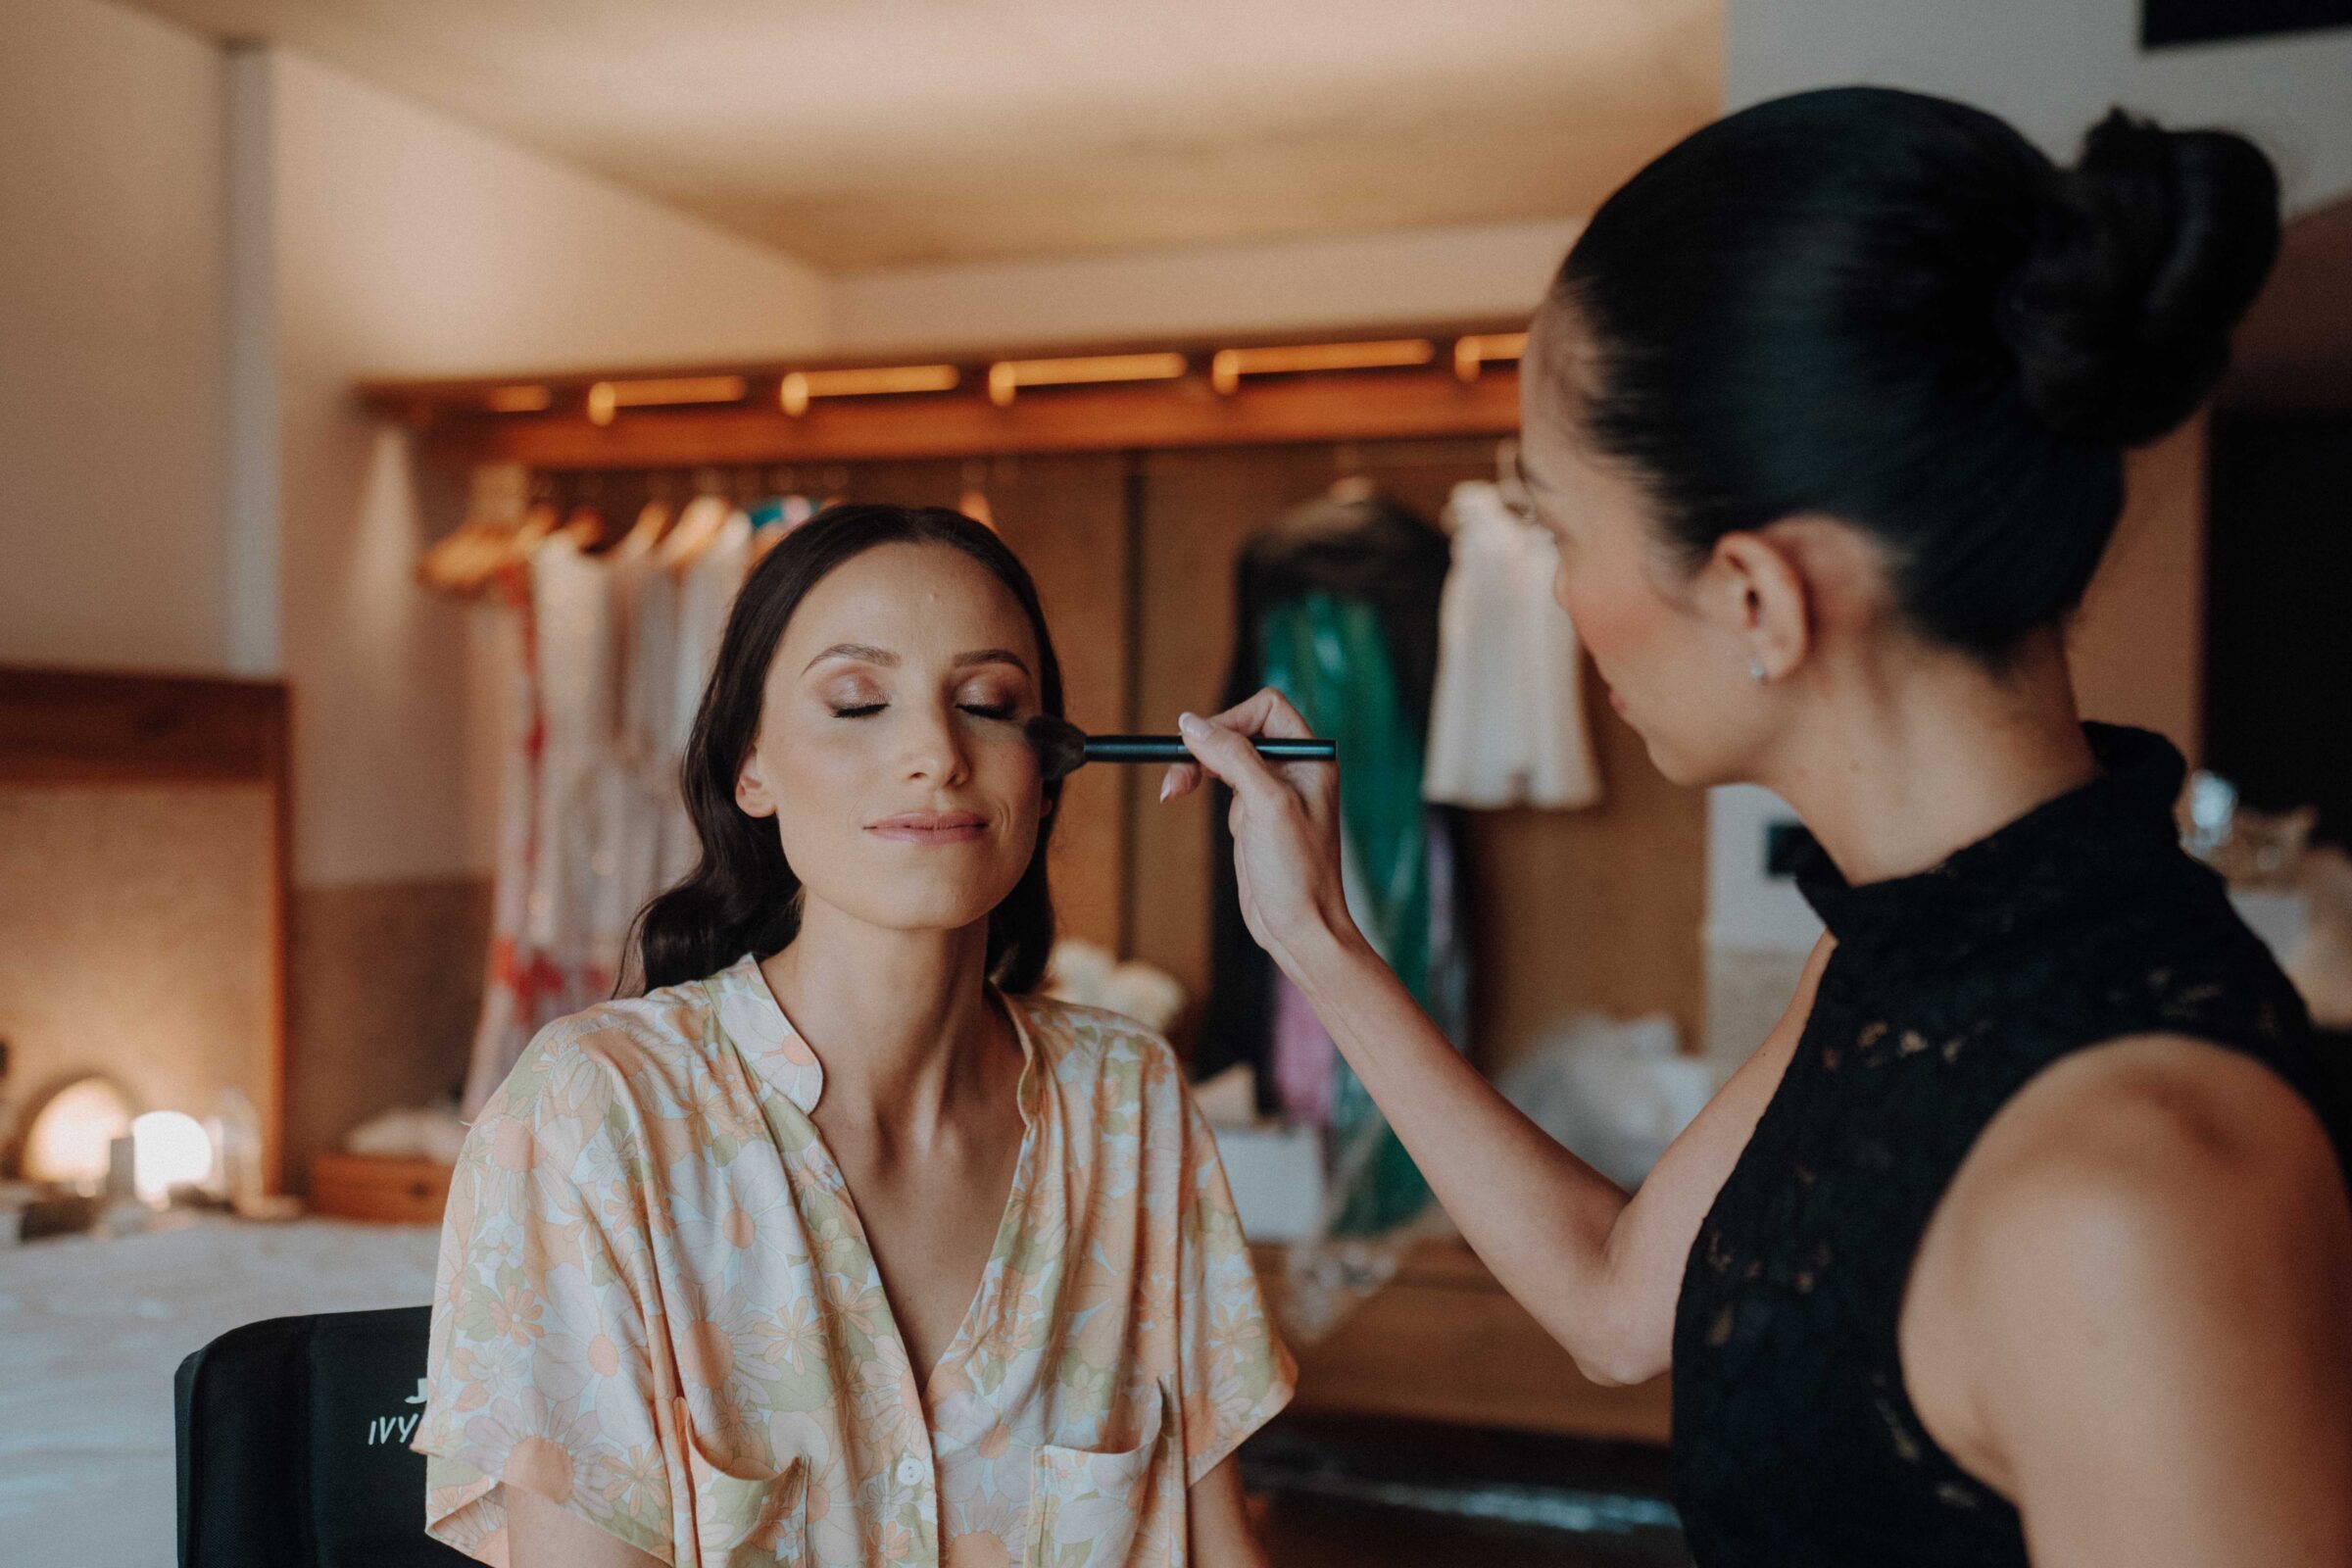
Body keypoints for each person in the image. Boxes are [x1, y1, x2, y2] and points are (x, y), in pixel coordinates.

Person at [1164, 87, 2352, 1567]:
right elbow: (1612, 1303)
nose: (1559, 595)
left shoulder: (2130, 1188)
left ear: (1753, 599)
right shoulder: (1897, 957)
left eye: (1559, 532)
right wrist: (1317, 938)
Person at [418, 505, 1292, 1568]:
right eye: (858, 701)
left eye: (987, 701)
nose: (934, 751)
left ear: (1048, 765)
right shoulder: (594, 1118)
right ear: (752, 767)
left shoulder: (1128, 1102)